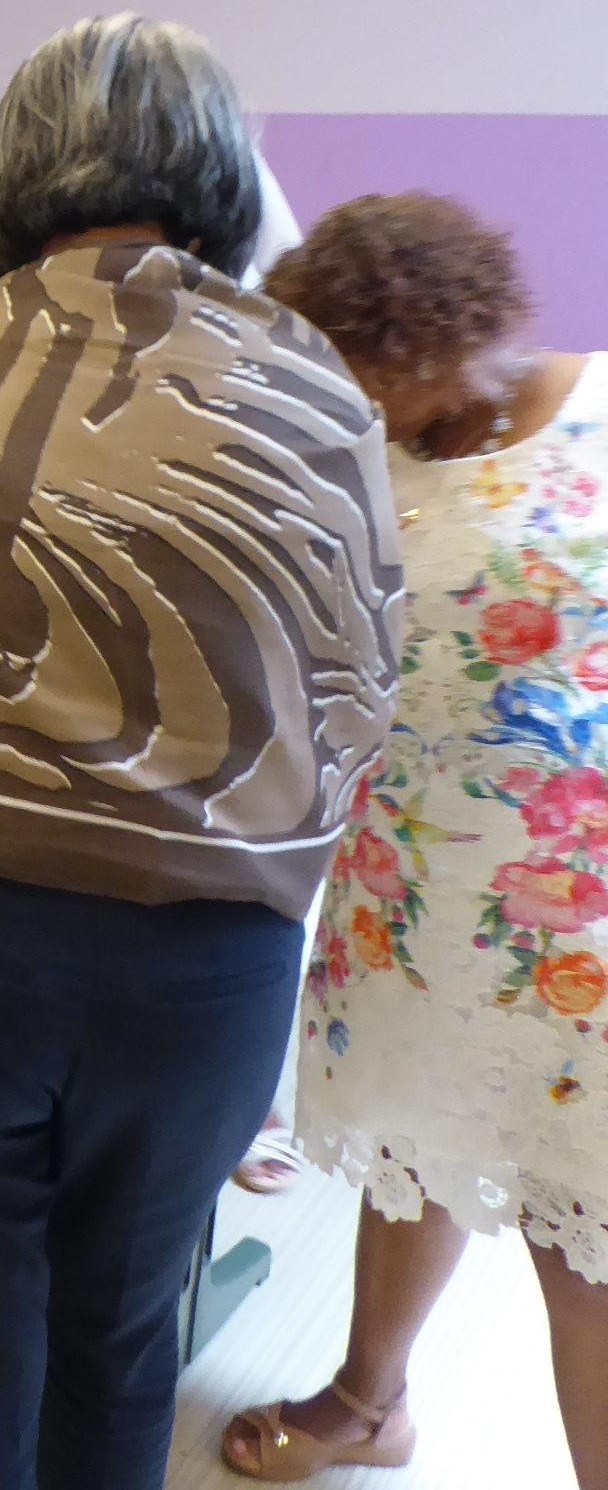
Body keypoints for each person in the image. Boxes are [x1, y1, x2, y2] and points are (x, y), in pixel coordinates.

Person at [0, 15, 403, 1490]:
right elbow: (362, 685)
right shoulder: (319, 398)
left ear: (8, 180)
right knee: (122, 1337)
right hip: (209, 954)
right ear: (222, 181)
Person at [220, 195, 608, 1485]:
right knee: (408, 1157)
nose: (371, 415)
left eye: (381, 384)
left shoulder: (599, 414)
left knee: (583, 1237)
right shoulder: (366, 460)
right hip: (407, 894)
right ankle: (367, 1403)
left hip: (574, 915)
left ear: (452, 332)